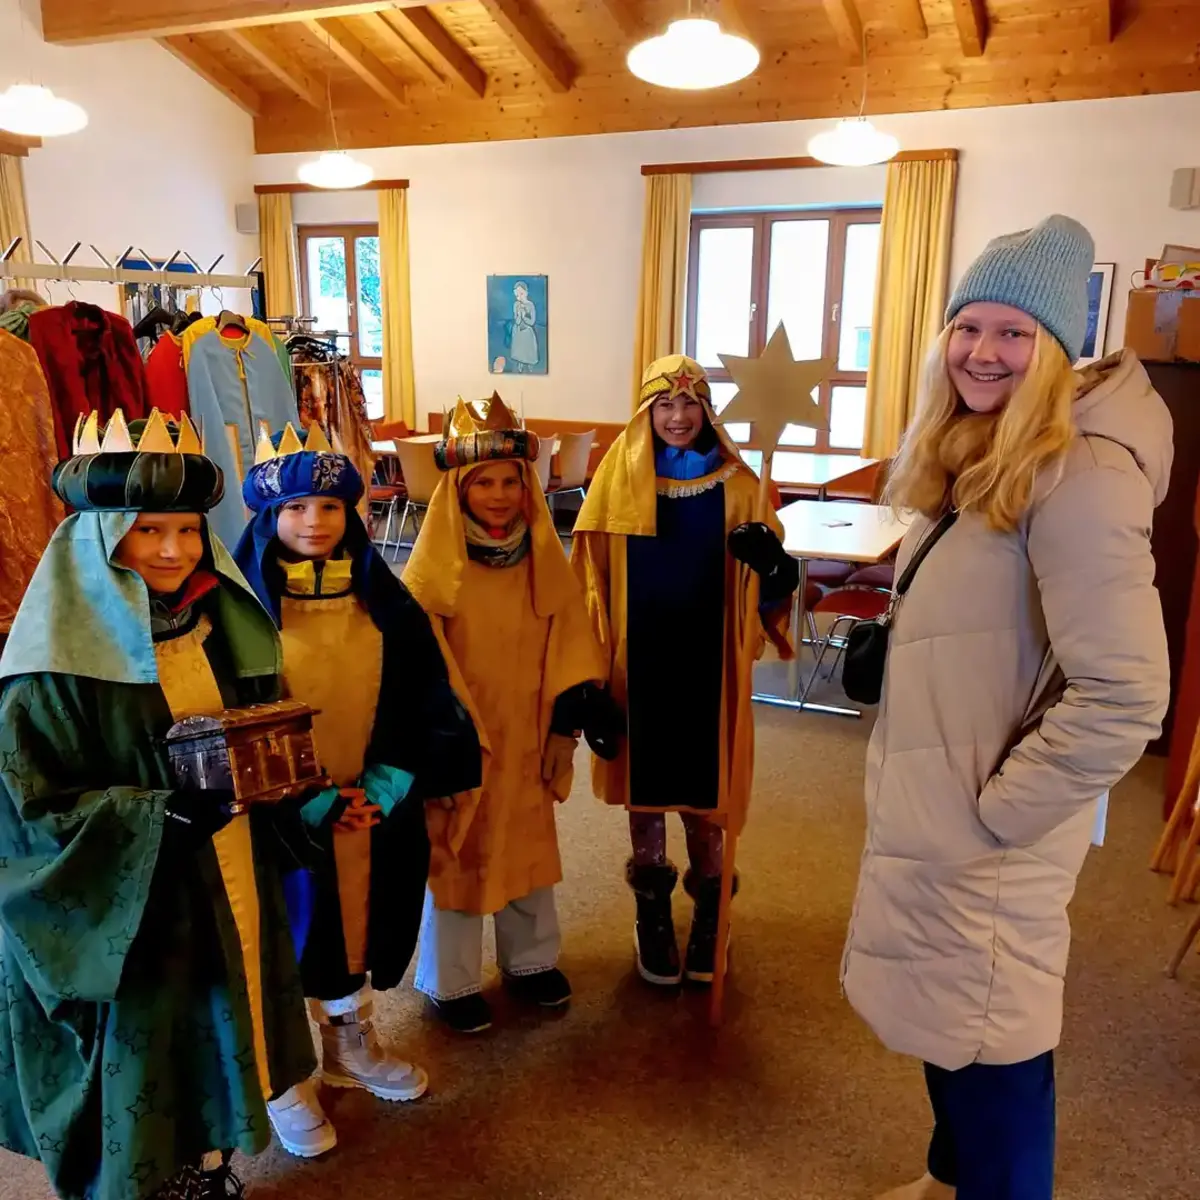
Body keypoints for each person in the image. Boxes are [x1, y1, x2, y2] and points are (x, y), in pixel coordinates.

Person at [840, 215, 1172, 1200]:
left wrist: (998, 812)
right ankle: (949, 1179)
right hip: (941, 810)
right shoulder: (977, 450)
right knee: (955, 1025)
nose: (983, 351)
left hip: (985, 833)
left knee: (998, 1050)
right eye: (968, 327)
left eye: (1014, 333)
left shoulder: (1082, 473)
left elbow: (1126, 693)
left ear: (1057, 348)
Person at [0, 408, 316, 1200]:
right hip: (133, 903)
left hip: (229, 867)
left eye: (186, 530)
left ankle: (209, 1165)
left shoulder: (220, 626)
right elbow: (25, 813)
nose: (174, 550)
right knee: (150, 1045)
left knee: (225, 1012)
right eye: (148, 531)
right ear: (100, 540)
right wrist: (151, 818)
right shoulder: (48, 673)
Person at [234, 421, 482, 1157]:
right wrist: (307, 799)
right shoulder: (240, 612)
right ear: (268, 516)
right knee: (284, 931)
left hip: (372, 801)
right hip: (282, 812)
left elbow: (421, 695)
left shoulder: (387, 603)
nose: (314, 522)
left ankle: (349, 1043)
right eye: (295, 508)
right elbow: (234, 717)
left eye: (330, 507)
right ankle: (283, 1073)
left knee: (358, 924)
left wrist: (388, 781)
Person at [570, 354, 797, 985]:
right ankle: (652, 916)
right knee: (645, 795)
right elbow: (589, 587)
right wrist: (589, 682)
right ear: (646, 412)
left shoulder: (741, 487)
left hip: (709, 667)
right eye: (664, 404)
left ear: (707, 411)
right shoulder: (617, 484)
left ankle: (710, 916)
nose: (677, 416)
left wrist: (774, 568)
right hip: (638, 665)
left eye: (690, 403)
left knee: (705, 798)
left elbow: (767, 590)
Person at [403, 396, 612, 1033]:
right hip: (463, 738)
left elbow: (570, 640)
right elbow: (416, 663)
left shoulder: (541, 561)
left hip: (526, 732)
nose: (498, 496)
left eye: (510, 483)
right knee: (457, 850)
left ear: (528, 488)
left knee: (525, 842)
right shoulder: (432, 576)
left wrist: (565, 726)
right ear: (458, 491)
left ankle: (530, 960)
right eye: (483, 483)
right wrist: (441, 741)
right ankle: (452, 978)